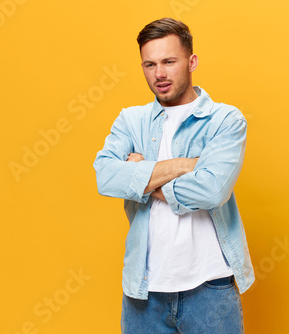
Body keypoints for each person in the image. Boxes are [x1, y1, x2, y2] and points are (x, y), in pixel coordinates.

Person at [93, 17, 254, 334]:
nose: (160, 74)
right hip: (143, 292)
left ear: (191, 61)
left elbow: (211, 191)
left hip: (211, 288)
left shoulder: (224, 119)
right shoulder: (131, 120)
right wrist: (184, 164)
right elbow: (106, 176)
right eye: (149, 64)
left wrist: (140, 175)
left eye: (169, 61)